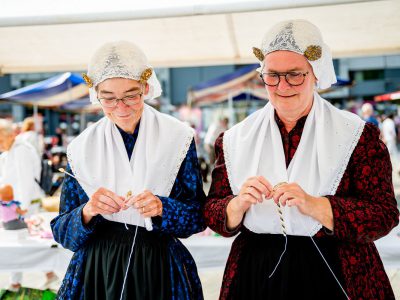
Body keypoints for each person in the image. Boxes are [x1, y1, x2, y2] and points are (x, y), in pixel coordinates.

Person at [204, 19, 399, 299]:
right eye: (272, 75)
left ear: (316, 73)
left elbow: (384, 215)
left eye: (295, 74)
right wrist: (237, 204)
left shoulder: (356, 135)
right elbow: (212, 210)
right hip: (255, 272)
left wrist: (316, 205)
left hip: (337, 268)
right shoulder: (236, 138)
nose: (282, 86)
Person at [51, 41, 205, 300]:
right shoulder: (81, 148)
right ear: (96, 94)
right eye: (109, 98)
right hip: (98, 270)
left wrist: (162, 208)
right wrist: (88, 211)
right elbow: (63, 233)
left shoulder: (177, 138)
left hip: (160, 268)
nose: (121, 108)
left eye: (131, 95)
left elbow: (198, 217)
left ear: (146, 88)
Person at [0, 119, 56, 290]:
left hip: (23, 206)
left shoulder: (21, 150)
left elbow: (25, 181)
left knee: (24, 242)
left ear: (10, 135)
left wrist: (21, 207)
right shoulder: (8, 153)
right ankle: (42, 276)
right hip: (12, 206)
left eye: (1, 139)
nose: (0, 143)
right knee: (20, 243)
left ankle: (17, 282)